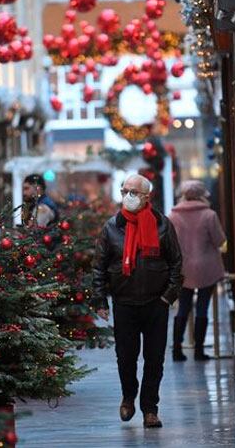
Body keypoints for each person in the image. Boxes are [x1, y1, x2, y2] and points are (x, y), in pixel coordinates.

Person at [93, 174, 183, 428]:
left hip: (156, 302)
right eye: (125, 191)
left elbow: (176, 262)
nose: (128, 196)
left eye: (133, 192)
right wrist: (100, 299)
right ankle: (128, 396)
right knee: (126, 357)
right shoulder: (112, 227)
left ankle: (150, 409)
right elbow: (99, 266)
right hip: (124, 302)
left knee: (155, 358)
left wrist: (168, 296)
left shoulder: (162, 225)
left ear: (146, 196)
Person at [168, 180, 227, 361]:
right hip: (206, 268)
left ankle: (177, 350)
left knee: (183, 308)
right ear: (202, 195)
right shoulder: (209, 215)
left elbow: (169, 243)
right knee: (203, 308)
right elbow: (219, 240)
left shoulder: (173, 216)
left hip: (183, 269)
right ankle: (199, 351)